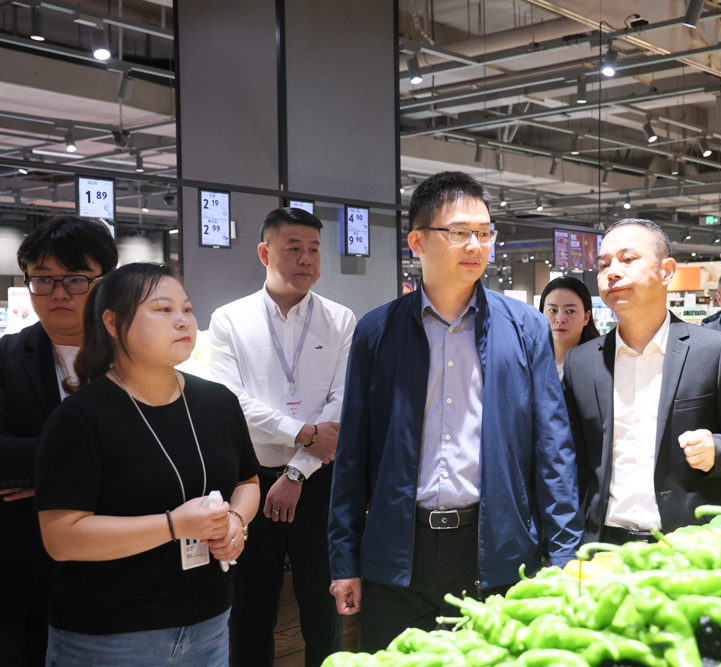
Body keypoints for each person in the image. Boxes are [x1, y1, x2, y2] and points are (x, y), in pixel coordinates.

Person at [328, 171, 582, 651]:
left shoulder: (526, 328)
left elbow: (554, 449)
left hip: (496, 548)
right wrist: (344, 559)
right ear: (417, 241)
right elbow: (352, 455)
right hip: (399, 553)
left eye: (484, 233)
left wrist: (566, 554)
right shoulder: (376, 331)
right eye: (460, 232)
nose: (475, 245)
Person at [34, 262, 260, 667]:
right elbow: (61, 537)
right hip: (109, 635)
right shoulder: (81, 417)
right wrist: (174, 525)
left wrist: (236, 521)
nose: (183, 321)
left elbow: (248, 481)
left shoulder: (219, 402)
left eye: (187, 309)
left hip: (209, 622)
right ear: (113, 322)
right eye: (162, 309)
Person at [207, 207, 355, 667]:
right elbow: (230, 401)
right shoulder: (229, 320)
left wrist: (297, 470)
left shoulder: (341, 319)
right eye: (294, 248)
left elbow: (342, 403)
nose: (306, 259)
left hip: (319, 483)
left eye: (314, 249)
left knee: (322, 610)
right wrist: (302, 433)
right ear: (264, 252)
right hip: (248, 482)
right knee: (250, 612)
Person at [562, 218, 721, 544]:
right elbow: (571, 461)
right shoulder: (582, 363)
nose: (612, 272)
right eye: (603, 265)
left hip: (692, 543)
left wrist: (717, 450)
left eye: (628, 259)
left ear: (667, 271)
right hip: (605, 545)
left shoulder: (714, 351)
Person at [0, 215, 117, 667]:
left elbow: (159, 451)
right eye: (43, 279)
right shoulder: (5, 358)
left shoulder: (134, 358)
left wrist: (44, 478)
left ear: (104, 282)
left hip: (119, 568)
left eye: (76, 278)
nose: (59, 293)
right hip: (23, 570)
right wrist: (95, 468)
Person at [539, 276, 601, 379]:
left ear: (586, 317)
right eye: (553, 310)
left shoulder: (601, 365)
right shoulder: (529, 362)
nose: (560, 319)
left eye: (570, 311)